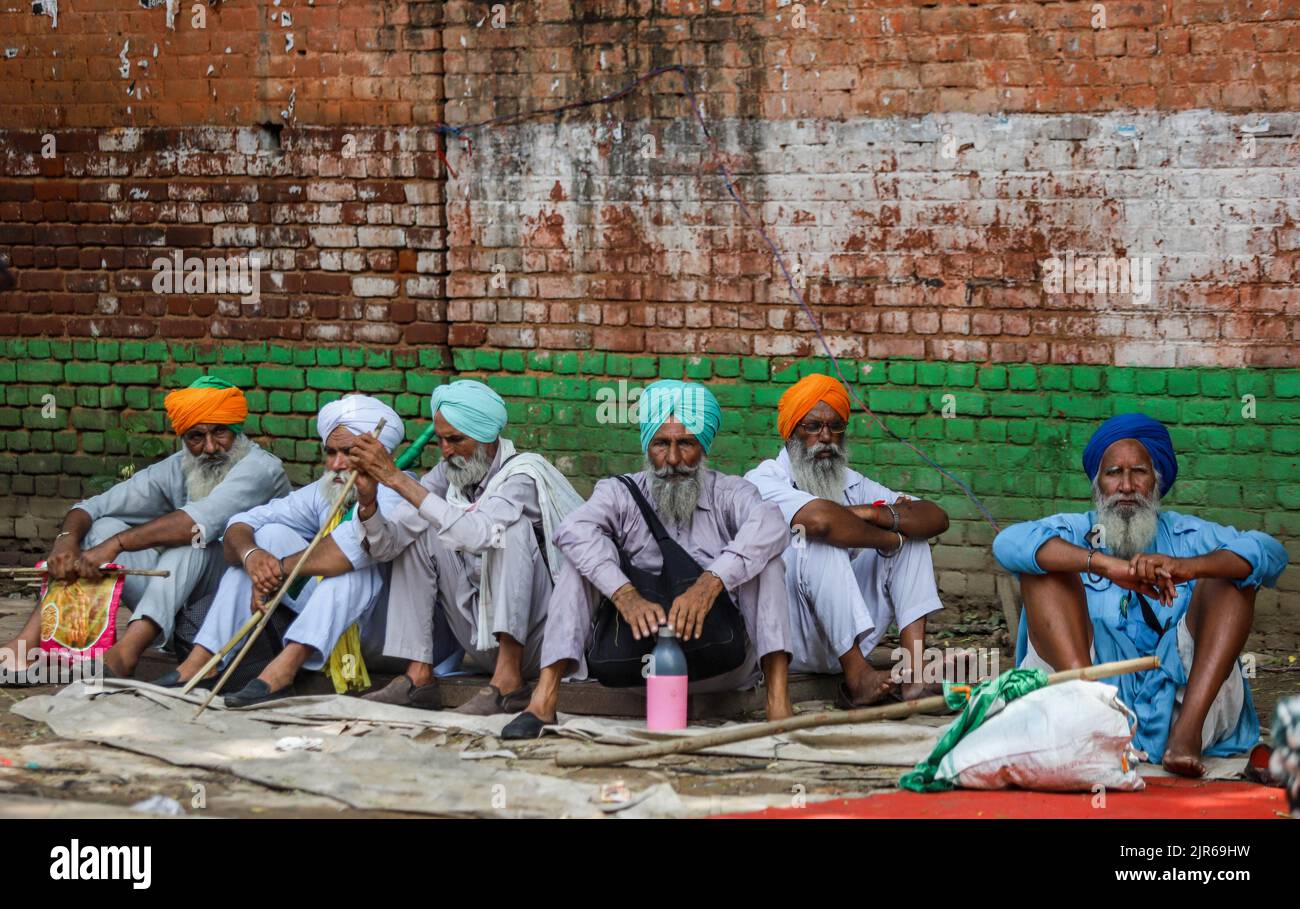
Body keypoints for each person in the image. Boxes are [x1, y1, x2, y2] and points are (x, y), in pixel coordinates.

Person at [993, 413, 1289, 777]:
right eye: (1114, 473)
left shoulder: (1188, 535)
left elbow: (1271, 552)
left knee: (1234, 573)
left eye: (1140, 473)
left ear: (1157, 482)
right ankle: (1096, 719)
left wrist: (1189, 567)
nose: (1127, 486)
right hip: (1082, 703)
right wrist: (1101, 565)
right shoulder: (1073, 530)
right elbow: (1007, 544)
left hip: (1182, 706)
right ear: (1097, 483)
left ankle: (1186, 737)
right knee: (1045, 569)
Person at [503, 379, 795, 740]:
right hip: (635, 663)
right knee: (583, 558)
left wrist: (711, 582)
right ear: (647, 446)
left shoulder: (730, 493)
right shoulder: (619, 493)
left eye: (686, 444)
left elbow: (772, 523)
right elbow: (572, 531)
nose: (673, 460)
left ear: (703, 446)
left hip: (721, 661)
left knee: (765, 559)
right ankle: (543, 701)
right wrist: (623, 593)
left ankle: (778, 703)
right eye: (661, 444)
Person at [0, 376, 289, 680]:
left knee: (190, 541)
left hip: (248, 595)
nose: (209, 447)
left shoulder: (260, 468)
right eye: (195, 437)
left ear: (236, 429)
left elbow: (197, 523)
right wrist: (66, 543)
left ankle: (127, 653)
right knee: (101, 528)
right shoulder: (181, 465)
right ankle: (29, 643)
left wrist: (116, 545)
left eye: (220, 432)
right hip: (180, 604)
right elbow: (92, 506)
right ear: (183, 438)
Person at [351, 380, 584, 714]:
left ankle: (509, 680)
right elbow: (388, 546)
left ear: (487, 436)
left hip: (542, 643)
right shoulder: (449, 474)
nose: (446, 451)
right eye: (441, 440)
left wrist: (397, 479)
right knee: (424, 524)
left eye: (456, 440)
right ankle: (418, 676)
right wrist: (368, 500)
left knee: (508, 530)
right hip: (477, 635)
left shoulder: (522, 476)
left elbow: (478, 534)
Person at [160, 396, 407, 708]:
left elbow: (344, 553)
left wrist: (275, 567)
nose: (336, 464)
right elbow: (240, 523)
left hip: (385, 637)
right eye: (330, 453)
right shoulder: (327, 488)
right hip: (330, 624)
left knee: (354, 569)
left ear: (379, 454)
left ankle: (282, 671)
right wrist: (253, 557)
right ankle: (201, 661)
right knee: (267, 536)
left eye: (349, 453)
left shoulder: (397, 496)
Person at [744, 374, 950, 704]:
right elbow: (823, 522)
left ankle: (914, 675)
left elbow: (936, 517)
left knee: (912, 537)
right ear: (791, 432)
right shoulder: (764, 480)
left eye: (835, 426)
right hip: (790, 642)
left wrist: (872, 514)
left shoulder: (852, 484)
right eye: (812, 426)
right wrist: (885, 540)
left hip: (852, 631)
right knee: (815, 539)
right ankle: (857, 677)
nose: (825, 437)